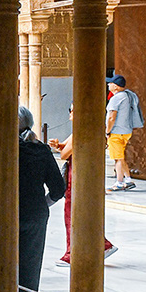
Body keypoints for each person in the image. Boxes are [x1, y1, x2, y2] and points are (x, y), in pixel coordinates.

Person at [18, 105, 66, 292]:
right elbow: (58, 188)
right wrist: (42, 204)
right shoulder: (41, 150)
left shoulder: (5, 149)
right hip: (35, 215)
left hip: (4, 215)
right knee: (30, 266)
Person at [50, 106, 115, 264]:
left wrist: (63, 149)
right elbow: (65, 148)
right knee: (83, 212)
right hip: (84, 175)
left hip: (78, 176)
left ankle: (72, 252)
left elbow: (66, 154)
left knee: (72, 213)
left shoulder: (82, 131)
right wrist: (59, 145)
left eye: (73, 110)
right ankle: (102, 244)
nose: (71, 113)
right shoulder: (84, 130)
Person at [106, 73, 141, 191]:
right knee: (120, 156)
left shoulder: (116, 98)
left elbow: (112, 117)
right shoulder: (128, 95)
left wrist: (107, 131)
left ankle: (119, 182)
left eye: (110, 83)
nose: (108, 85)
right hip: (126, 130)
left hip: (116, 132)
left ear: (115, 86)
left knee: (118, 158)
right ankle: (128, 179)